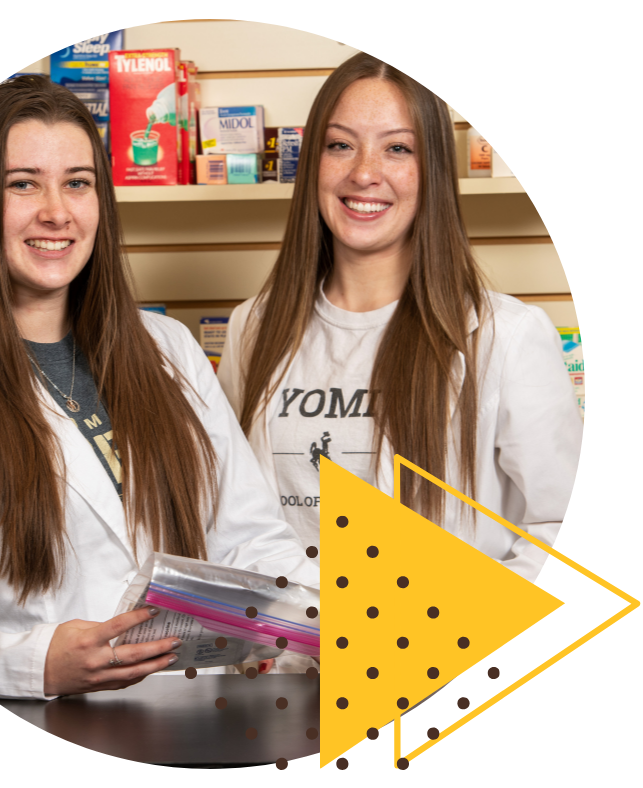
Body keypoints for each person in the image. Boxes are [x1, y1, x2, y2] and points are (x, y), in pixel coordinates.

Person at [0, 76, 316, 700]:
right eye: (23, 183)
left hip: (202, 718)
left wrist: (326, 627)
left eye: (77, 182)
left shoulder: (169, 349)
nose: (57, 211)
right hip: (47, 729)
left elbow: (252, 537)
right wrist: (35, 661)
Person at [218, 52, 583, 589]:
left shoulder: (508, 336)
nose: (364, 173)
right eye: (340, 145)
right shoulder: (253, 327)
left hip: (438, 664)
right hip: (290, 662)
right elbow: (234, 514)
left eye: (397, 148)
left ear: (431, 169)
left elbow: (564, 526)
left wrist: (454, 633)